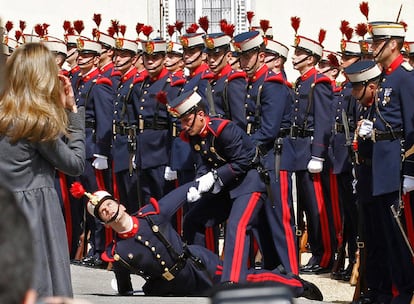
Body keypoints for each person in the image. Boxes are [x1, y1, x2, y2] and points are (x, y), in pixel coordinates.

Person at [70, 180, 323, 300]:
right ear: (103, 222)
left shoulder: (151, 214)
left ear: (121, 205)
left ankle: (293, 283)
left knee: (244, 281)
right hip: (179, 285)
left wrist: (202, 184)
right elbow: (124, 283)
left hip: (198, 264)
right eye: (102, 212)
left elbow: (179, 195)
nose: (106, 209)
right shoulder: (118, 251)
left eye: (109, 204)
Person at [0, 42, 85, 298]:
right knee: (44, 285)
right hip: (35, 212)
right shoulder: (35, 122)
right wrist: (72, 113)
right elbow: (74, 164)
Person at [344, 21, 414, 304]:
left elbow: (411, 127)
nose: (373, 48)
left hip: (397, 168)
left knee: (400, 237)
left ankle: (404, 291)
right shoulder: (385, 78)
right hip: (381, 169)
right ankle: (391, 290)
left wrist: (411, 170)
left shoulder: (406, 78)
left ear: (393, 44)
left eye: (377, 43)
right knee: (386, 236)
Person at [232, 29, 298, 276]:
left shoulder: (272, 84)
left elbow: (269, 130)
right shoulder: (255, 83)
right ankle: (273, 267)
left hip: (275, 157)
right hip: (261, 157)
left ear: (261, 56)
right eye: (241, 57)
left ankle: (292, 272)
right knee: (261, 219)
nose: (243, 62)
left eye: (248, 56)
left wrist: (241, 147)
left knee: (279, 217)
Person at [288, 18, 336, 274]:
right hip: (299, 149)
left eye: (299, 53)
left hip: (310, 149)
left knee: (318, 208)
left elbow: (323, 121)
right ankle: (317, 252)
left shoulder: (319, 82)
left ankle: (325, 254)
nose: (294, 57)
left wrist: (317, 153)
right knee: (306, 206)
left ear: (311, 58)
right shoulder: (302, 82)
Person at [73, 36, 115, 268]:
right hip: (82, 145)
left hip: (92, 148)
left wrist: (101, 151)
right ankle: (94, 249)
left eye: (86, 55)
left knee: (98, 200)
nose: (81, 58)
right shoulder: (82, 82)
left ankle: (101, 250)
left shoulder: (100, 84)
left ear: (97, 59)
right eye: (80, 54)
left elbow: (104, 121)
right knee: (88, 202)